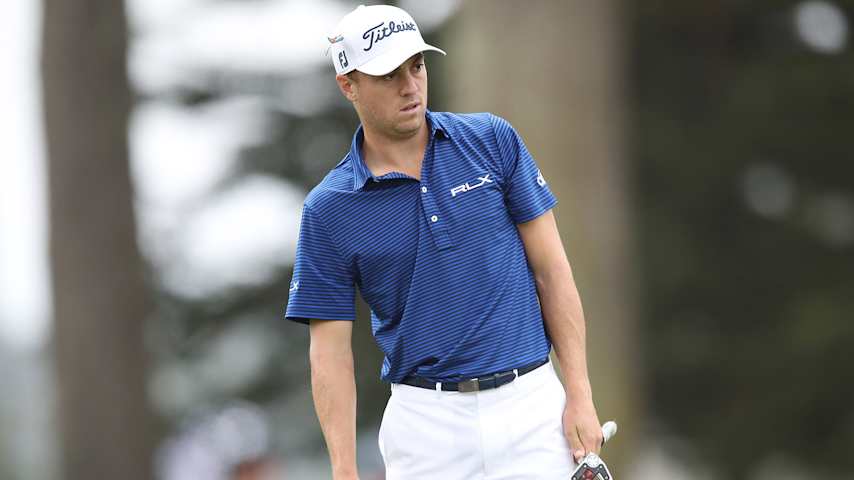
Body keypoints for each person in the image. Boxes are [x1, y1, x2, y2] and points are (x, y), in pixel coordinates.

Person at [285, 4, 604, 479]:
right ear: (348, 85)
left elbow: (552, 272)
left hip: (532, 406)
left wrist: (579, 393)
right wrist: (344, 470)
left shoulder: (492, 140)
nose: (410, 86)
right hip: (425, 427)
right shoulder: (329, 208)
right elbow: (330, 354)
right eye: (389, 75)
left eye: (416, 66)